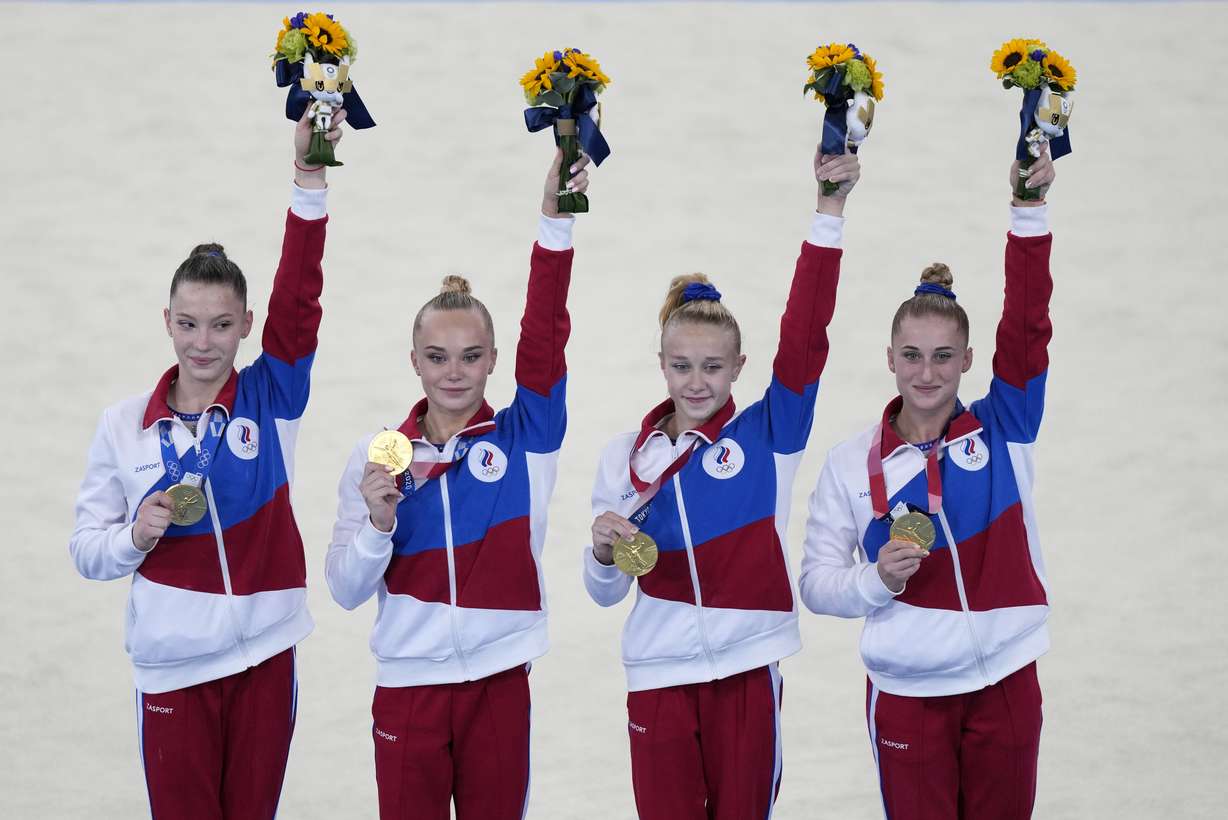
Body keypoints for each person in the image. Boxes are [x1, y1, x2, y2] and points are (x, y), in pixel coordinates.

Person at [69, 108, 345, 818]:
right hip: (171, 668)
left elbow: (300, 298)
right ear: (167, 322)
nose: (203, 343)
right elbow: (87, 552)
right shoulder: (123, 427)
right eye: (188, 324)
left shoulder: (269, 399)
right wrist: (133, 536)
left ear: (245, 326)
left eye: (222, 325)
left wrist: (308, 179)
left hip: (263, 657)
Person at [582, 146, 859, 819]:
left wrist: (829, 212)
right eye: (682, 366)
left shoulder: (770, 437)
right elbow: (604, 592)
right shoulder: (626, 458)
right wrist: (599, 551)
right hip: (657, 676)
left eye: (712, 366)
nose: (697, 381)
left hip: (747, 672)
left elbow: (806, 338)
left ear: (738, 367)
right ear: (662, 366)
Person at [325, 150, 591, 819]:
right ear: (413, 360)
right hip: (408, 691)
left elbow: (546, 335)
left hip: (499, 684)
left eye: (471, 357)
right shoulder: (378, 453)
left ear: (493, 361)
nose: (453, 374)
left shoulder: (524, 442)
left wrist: (554, 223)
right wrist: (379, 526)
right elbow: (345, 591)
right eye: (438, 358)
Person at [797, 152, 1059, 819]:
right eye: (911, 356)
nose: (927, 373)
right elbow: (816, 582)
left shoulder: (1006, 429)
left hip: (1004, 679)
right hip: (907, 692)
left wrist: (1028, 210)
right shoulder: (852, 464)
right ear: (890, 359)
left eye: (944, 356)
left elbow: (1029, 327)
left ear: (968, 360)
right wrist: (874, 582)